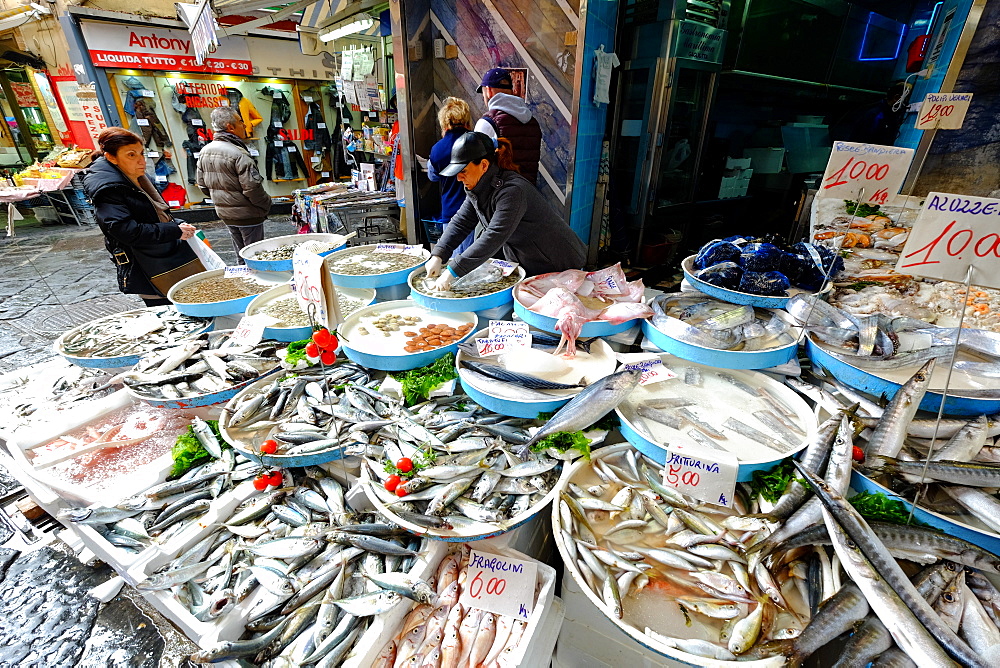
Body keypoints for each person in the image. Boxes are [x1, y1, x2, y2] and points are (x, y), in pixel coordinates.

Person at [424, 131, 586, 289]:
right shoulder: (477, 188)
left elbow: (494, 236)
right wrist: (439, 254)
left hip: (558, 262)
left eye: (463, 171)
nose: (459, 178)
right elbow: (461, 222)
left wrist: (454, 270)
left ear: (484, 165)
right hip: (529, 261)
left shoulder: (513, 191)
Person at [83, 128, 202, 307]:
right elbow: (125, 230)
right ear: (111, 157)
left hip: (164, 254)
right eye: (131, 155)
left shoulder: (136, 176)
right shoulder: (108, 188)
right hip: (147, 264)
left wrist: (176, 224)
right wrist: (173, 230)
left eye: (141, 153)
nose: (141, 160)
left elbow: (153, 213)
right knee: (169, 314)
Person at [196, 106, 272, 259]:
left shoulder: (205, 151)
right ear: (230, 127)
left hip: (226, 214)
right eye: (240, 121)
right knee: (255, 256)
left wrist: (223, 200)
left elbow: (203, 185)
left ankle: (242, 280)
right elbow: (252, 188)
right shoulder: (238, 153)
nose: (244, 124)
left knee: (240, 256)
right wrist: (267, 203)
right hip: (248, 215)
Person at [473, 68, 542, 185]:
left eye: (483, 93)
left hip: (501, 195)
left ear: (488, 91)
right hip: (529, 192)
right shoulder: (532, 122)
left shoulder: (488, 122)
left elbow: (476, 166)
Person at [428, 97, 474, 253]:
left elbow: (432, 176)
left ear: (444, 123)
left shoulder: (437, 149)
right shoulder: (476, 143)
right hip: (475, 210)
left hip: (450, 210)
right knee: (471, 259)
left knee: (454, 259)